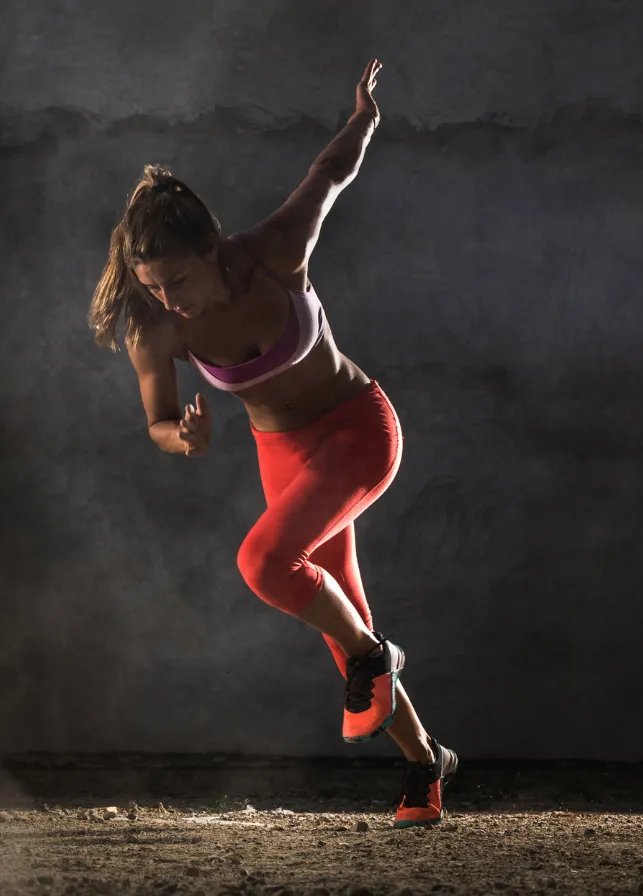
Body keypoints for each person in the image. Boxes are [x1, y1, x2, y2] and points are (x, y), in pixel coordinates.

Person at [88, 59, 456, 828]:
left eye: (179, 281)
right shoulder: (154, 328)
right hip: (281, 452)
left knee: (266, 565)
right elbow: (155, 422)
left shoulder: (275, 254)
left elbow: (329, 173)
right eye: (153, 286)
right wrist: (181, 439)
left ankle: (376, 658)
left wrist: (365, 116)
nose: (168, 300)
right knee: (341, 620)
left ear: (215, 250)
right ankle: (425, 763)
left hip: (358, 428)